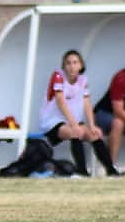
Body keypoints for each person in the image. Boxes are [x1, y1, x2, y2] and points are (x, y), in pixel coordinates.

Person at [39, 49, 118, 177]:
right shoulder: (58, 77)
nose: (71, 66)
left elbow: (87, 103)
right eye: (68, 63)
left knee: (95, 135)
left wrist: (92, 125)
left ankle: (111, 170)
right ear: (64, 66)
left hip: (72, 121)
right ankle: (81, 171)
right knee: (76, 133)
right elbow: (61, 102)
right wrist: (74, 124)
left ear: (80, 65)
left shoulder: (83, 80)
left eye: (75, 63)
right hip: (53, 122)